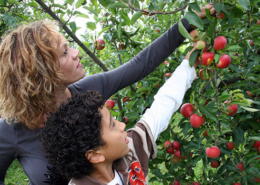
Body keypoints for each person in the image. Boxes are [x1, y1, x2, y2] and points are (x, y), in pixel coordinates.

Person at [0, 5, 215, 185]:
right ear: (41, 74)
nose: (76, 53)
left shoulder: (88, 95)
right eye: (65, 52)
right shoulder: (11, 130)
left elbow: (140, 66)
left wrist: (185, 25)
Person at [40, 47, 199, 185]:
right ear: (95, 155)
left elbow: (162, 108)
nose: (123, 125)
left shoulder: (131, 151)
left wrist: (188, 66)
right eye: (113, 125)